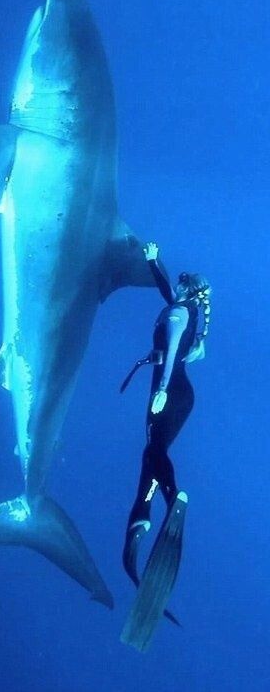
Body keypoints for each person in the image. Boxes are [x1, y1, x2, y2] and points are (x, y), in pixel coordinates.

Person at [122, 242, 211, 587]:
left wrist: (159, 391)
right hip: (184, 396)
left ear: (186, 288)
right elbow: (165, 289)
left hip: (168, 394)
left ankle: (171, 500)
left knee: (153, 451)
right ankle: (141, 516)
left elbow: (171, 350)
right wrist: (153, 259)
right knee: (153, 453)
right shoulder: (188, 310)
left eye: (180, 282)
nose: (175, 286)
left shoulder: (177, 314)